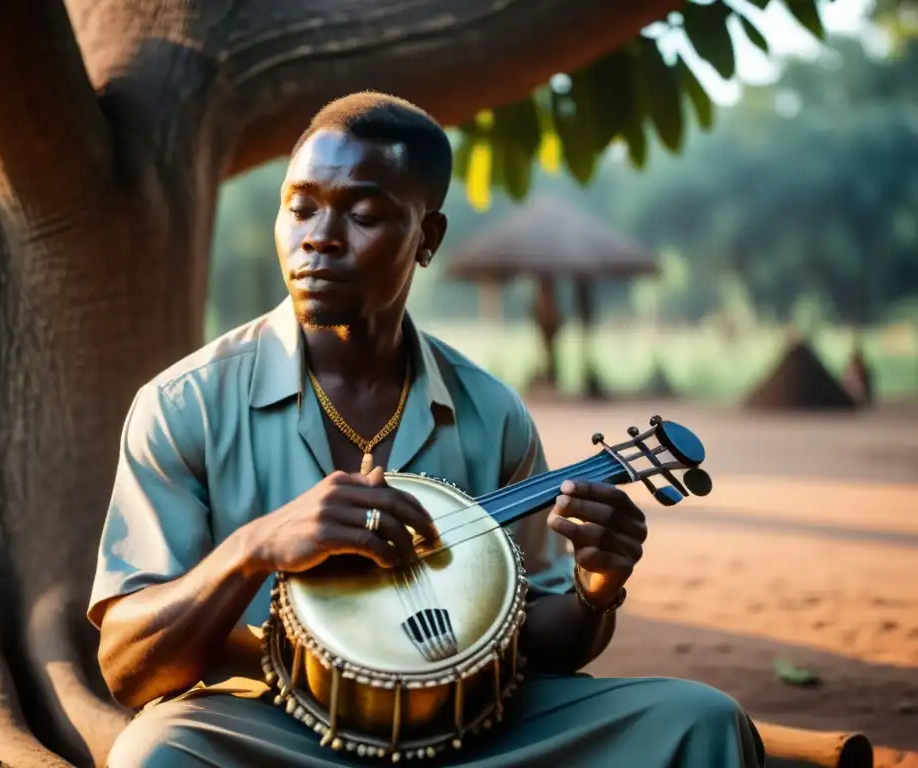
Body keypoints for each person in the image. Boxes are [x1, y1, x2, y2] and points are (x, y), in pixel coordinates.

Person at [89, 91, 765, 768]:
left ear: (428, 239)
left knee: (700, 721)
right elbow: (128, 669)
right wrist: (253, 548)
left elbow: (540, 642)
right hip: (283, 731)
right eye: (299, 206)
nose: (319, 236)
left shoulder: (490, 412)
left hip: (474, 731)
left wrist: (596, 590)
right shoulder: (185, 404)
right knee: (160, 751)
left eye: (363, 214)